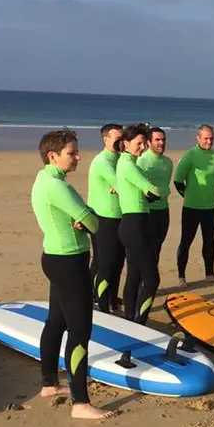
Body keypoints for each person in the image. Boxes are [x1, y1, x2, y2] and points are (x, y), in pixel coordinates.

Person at [30, 128, 114, 420]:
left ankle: (49, 384)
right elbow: (95, 223)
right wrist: (86, 218)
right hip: (69, 262)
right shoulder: (58, 187)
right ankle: (80, 403)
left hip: (54, 257)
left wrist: (83, 216)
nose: (78, 157)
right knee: (80, 331)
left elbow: (84, 215)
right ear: (52, 155)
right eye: (71, 153)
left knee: (56, 321)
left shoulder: (45, 180)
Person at [116, 124, 161, 324]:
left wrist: (148, 192)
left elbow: (148, 191)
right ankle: (140, 321)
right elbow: (154, 190)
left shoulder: (128, 162)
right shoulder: (128, 164)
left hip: (134, 222)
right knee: (152, 278)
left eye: (144, 143)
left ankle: (129, 317)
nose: (142, 147)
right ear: (125, 143)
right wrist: (150, 190)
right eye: (138, 143)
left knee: (134, 274)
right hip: (134, 224)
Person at [174, 124, 214, 287]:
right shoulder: (190, 155)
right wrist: (189, 196)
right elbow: (178, 180)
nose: (209, 141)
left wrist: (206, 195)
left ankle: (210, 274)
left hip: (211, 208)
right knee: (186, 242)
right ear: (198, 138)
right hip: (191, 208)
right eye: (206, 138)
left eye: (211, 138)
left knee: (210, 242)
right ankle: (181, 276)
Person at [87, 123, 126, 313]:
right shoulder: (103, 161)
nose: (121, 143)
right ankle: (101, 306)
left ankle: (111, 298)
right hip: (104, 218)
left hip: (119, 216)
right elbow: (124, 185)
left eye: (122, 139)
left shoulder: (120, 158)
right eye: (117, 139)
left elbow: (123, 186)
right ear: (106, 140)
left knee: (117, 262)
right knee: (105, 263)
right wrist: (120, 187)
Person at [137, 126, 173, 261]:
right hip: (147, 212)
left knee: (157, 248)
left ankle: (151, 281)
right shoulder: (141, 161)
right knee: (147, 250)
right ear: (148, 142)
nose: (161, 143)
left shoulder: (168, 162)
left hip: (163, 211)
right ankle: (143, 281)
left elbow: (165, 184)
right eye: (157, 140)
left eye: (163, 140)